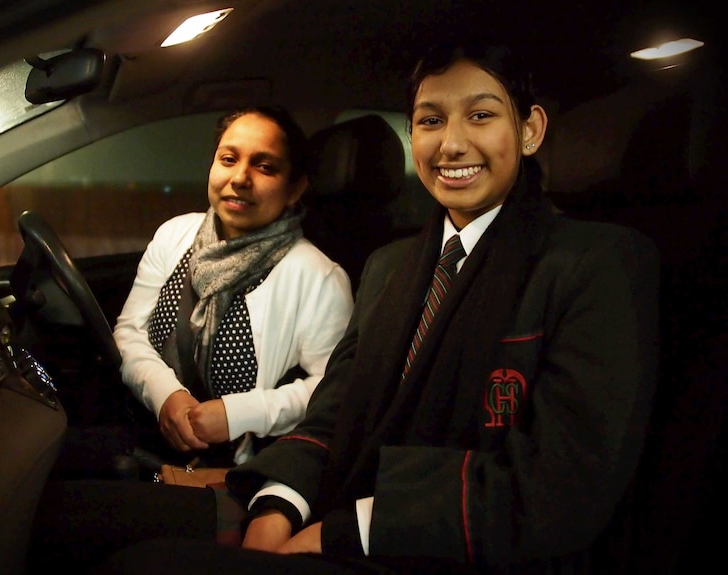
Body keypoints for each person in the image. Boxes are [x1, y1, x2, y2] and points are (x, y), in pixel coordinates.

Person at [88, 39, 661, 575]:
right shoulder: (390, 266)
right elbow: (336, 410)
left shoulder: (596, 263)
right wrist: (278, 506)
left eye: (481, 116)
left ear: (530, 130)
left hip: (442, 547)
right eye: (431, 120)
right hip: (330, 500)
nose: (452, 143)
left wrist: (342, 531)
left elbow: (558, 487)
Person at [112, 105, 354, 467]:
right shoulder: (174, 235)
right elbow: (131, 333)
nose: (240, 177)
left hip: (236, 470)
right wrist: (166, 396)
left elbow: (329, 389)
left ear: (295, 188)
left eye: (265, 166)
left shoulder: (318, 277)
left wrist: (238, 414)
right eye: (228, 159)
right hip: (144, 438)